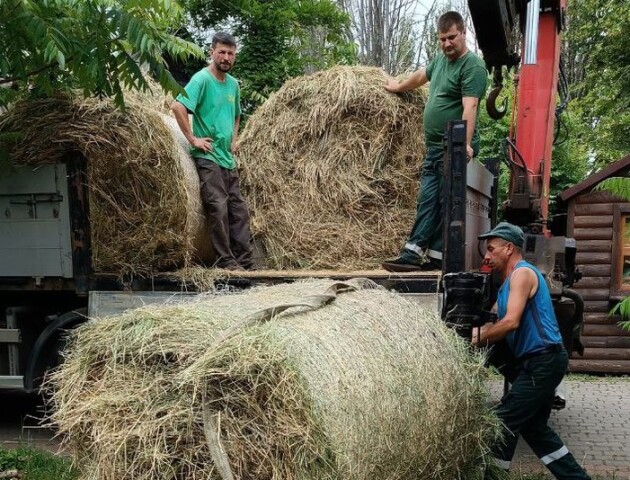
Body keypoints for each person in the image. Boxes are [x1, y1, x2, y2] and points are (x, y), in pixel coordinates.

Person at [473, 222, 591, 480]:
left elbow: (509, 322)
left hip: (544, 360)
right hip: (535, 363)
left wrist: (475, 339)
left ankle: (492, 476)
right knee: (535, 430)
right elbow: (492, 320)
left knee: (503, 421)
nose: (486, 255)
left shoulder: (523, 274)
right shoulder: (506, 286)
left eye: (491, 249)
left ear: (509, 248)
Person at [382, 11, 487, 272]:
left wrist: (464, 144)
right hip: (435, 146)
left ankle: (412, 253)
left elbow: (470, 106)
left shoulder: (472, 66)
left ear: (463, 33)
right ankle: (436, 256)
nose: (447, 44)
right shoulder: (441, 61)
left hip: (451, 147)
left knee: (434, 199)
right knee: (436, 198)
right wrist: (398, 86)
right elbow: (421, 75)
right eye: (442, 39)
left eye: (451, 37)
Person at [171, 32, 254, 271]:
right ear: (212, 52)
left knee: (239, 212)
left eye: (230, 53)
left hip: (227, 159)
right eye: (222, 52)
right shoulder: (201, 79)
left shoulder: (234, 85)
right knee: (218, 208)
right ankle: (225, 262)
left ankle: (246, 262)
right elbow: (177, 106)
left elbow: (237, 114)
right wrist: (192, 139)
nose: (226, 57)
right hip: (208, 158)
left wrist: (234, 140)